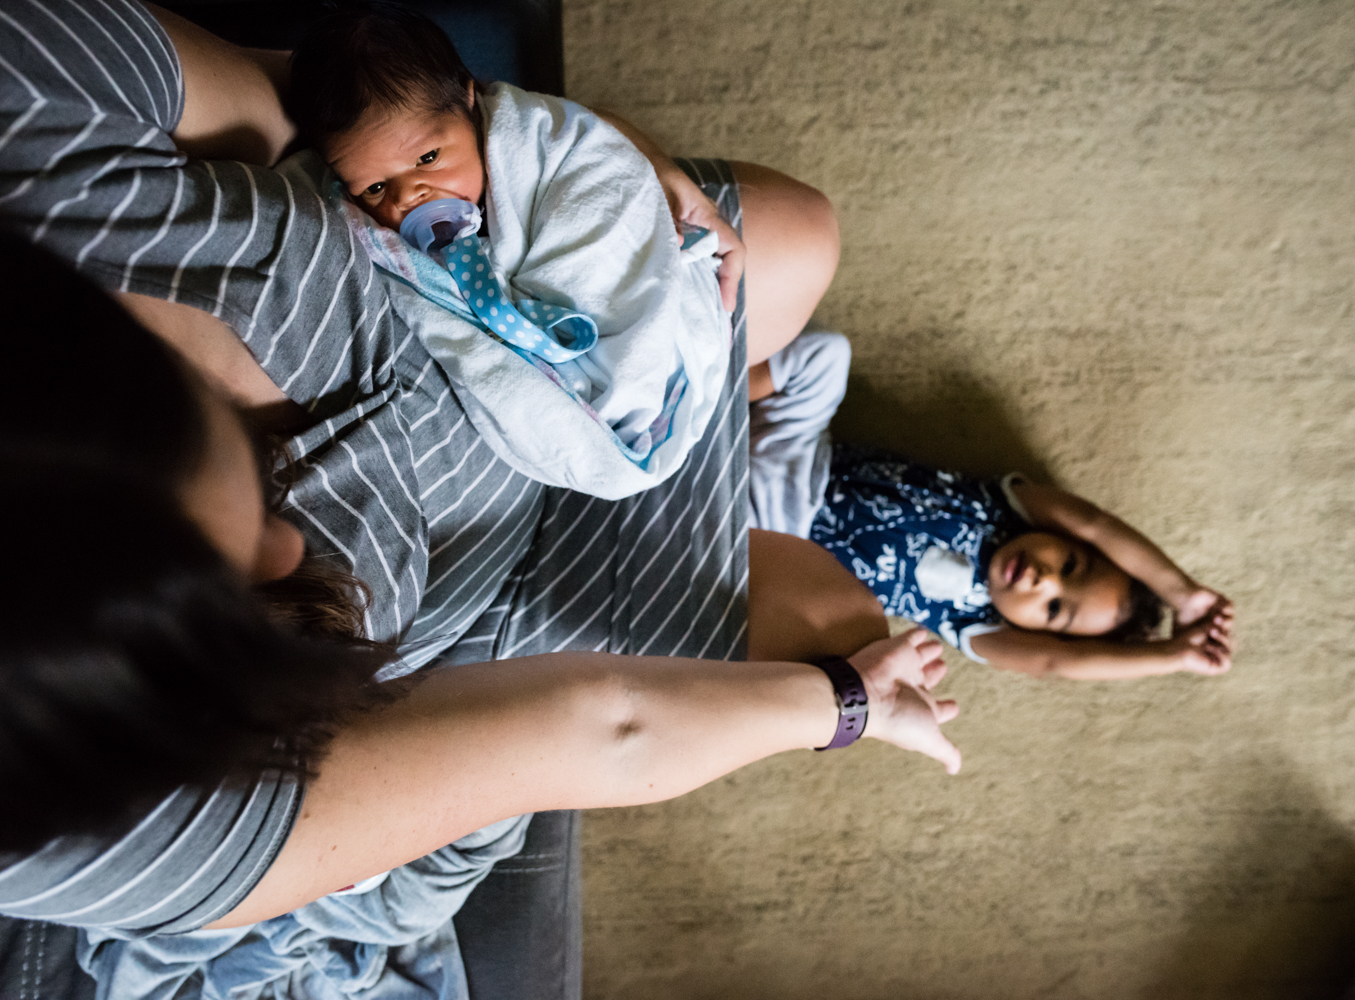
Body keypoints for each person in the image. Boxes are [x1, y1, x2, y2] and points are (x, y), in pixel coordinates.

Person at [0, 2, 906, 998]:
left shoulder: (27, 102)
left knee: (791, 238)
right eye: (225, 601)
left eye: (248, 512)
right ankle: (760, 448)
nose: (284, 555)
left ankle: (740, 427)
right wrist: (844, 705)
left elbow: (341, 107)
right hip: (464, 636)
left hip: (454, 325)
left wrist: (574, 143)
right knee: (834, 619)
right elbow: (592, 727)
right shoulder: (87, 803)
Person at [280, 3, 741, 498]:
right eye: (373, 188)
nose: (407, 197)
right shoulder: (373, 222)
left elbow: (604, 198)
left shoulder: (542, 146)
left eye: (428, 158)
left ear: (469, 100)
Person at [752, 334, 1236, 681]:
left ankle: (702, 483)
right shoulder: (1010, 508)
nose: (1044, 580)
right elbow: (1096, 523)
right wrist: (1184, 593)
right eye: (1070, 564)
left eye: (1053, 609)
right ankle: (717, 396)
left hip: (781, 529)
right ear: (1067, 539)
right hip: (800, 448)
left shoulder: (975, 624)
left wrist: (1172, 656)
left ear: (1037, 632)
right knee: (828, 352)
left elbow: (1059, 663)